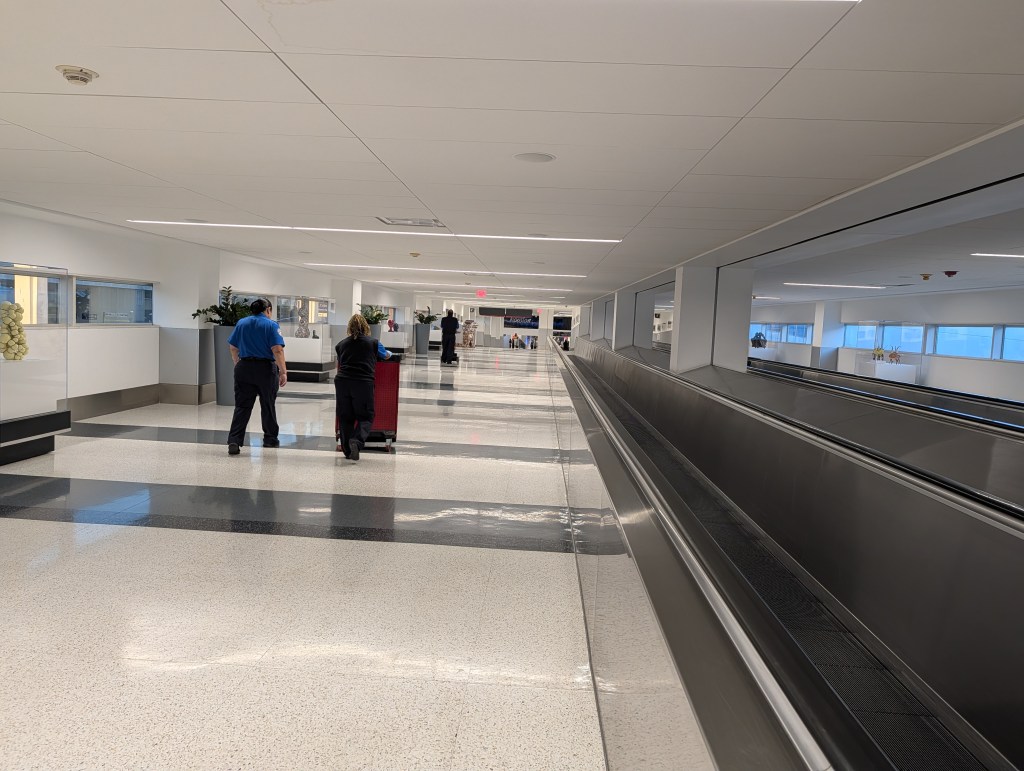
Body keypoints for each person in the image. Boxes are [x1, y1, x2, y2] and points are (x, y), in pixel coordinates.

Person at [226, 298, 287, 456]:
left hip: (243, 367)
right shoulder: (271, 325)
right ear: (267, 310)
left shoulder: (241, 323)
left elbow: (233, 347)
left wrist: (237, 363)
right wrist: (283, 371)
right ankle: (270, 438)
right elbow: (277, 349)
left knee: (242, 406)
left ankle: (234, 440)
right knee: (267, 404)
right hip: (265, 369)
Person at [335, 313, 392, 461]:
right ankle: (356, 441)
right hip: (362, 382)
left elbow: (341, 359)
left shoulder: (341, 344)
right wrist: (390, 353)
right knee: (366, 415)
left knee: (345, 416)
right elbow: (385, 355)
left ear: (349, 327)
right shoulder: (373, 343)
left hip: (342, 382)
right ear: (366, 327)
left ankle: (347, 450)